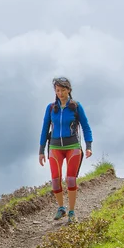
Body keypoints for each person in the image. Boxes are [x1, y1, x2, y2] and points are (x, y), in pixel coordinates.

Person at [38, 77, 93, 224]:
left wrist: (88, 146)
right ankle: (61, 208)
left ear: (68, 90)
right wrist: (41, 150)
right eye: (57, 90)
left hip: (72, 146)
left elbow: (86, 127)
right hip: (55, 147)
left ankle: (72, 211)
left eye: (63, 90)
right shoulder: (51, 108)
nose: (60, 93)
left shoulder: (76, 106)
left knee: (70, 179)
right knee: (55, 180)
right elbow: (44, 129)